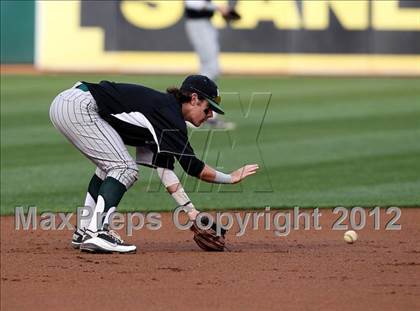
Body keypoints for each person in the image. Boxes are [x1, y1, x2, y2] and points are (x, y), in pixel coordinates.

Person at [49, 75, 259, 254]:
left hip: (71, 102)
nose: (210, 115)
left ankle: (85, 230)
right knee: (124, 168)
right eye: (208, 108)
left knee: (111, 166)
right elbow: (193, 167)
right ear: (194, 99)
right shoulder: (169, 116)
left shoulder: (163, 116)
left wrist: (192, 213)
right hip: (79, 106)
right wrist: (231, 177)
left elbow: (165, 171)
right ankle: (97, 232)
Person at [184, 0, 237, 130]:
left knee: (211, 69)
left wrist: (218, 9)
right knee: (210, 69)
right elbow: (193, 4)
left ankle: (205, 115)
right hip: (198, 23)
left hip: (205, 23)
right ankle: (191, 113)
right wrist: (219, 8)